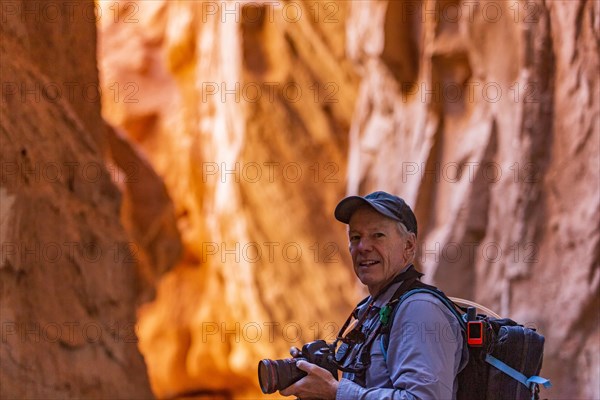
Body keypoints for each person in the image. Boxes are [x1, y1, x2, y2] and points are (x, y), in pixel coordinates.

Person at [280, 191, 467, 399]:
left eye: (377, 235)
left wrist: (335, 392)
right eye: (356, 237)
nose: (363, 247)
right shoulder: (372, 310)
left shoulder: (420, 310)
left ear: (409, 245)